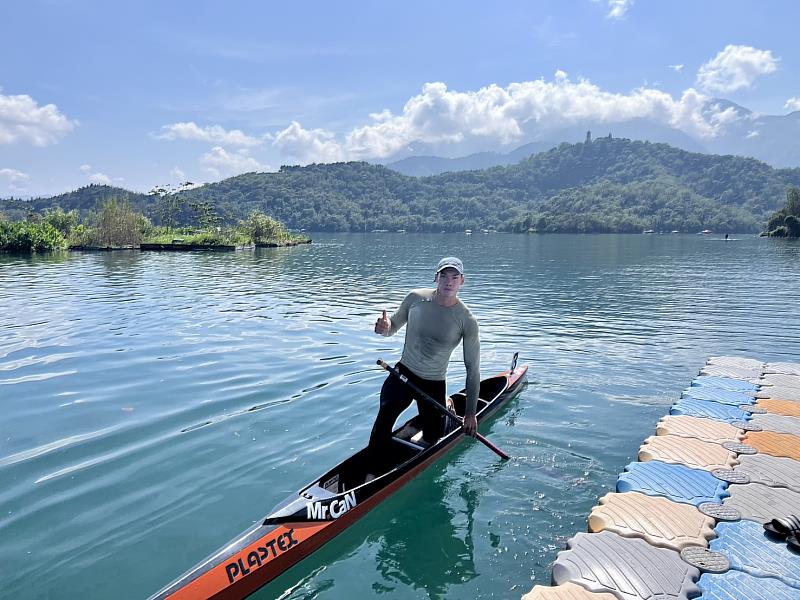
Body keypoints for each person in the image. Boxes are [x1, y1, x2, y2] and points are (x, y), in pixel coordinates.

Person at [369, 256, 480, 471]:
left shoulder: (466, 320)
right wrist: (383, 328)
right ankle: (370, 474)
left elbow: (473, 370)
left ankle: (447, 405)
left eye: (454, 277)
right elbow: (392, 326)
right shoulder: (415, 298)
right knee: (385, 413)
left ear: (462, 281)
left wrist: (470, 413)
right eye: (444, 276)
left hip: (433, 383)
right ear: (435, 278)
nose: (449, 282)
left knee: (433, 436)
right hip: (404, 374)